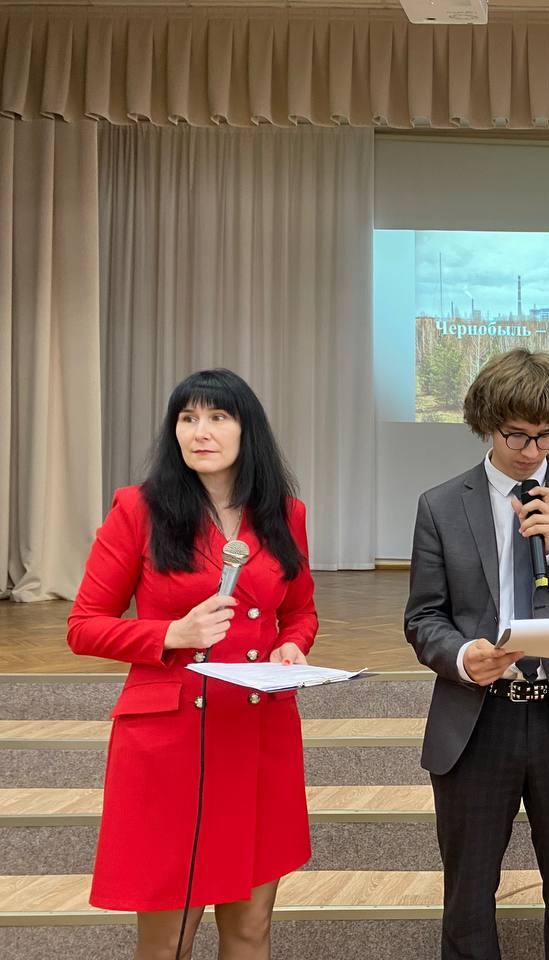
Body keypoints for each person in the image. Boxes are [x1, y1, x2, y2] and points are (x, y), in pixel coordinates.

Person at [67, 368, 317, 960]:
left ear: (247, 430)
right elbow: (83, 626)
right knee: (170, 940)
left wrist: (292, 646)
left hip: (257, 731)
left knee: (251, 930)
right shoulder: (138, 509)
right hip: (171, 742)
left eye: (217, 417)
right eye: (187, 418)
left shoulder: (285, 512)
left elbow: (300, 611)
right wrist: (171, 633)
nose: (199, 432)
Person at [404, 349, 549, 960]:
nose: (531, 451)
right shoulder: (441, 505)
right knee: (468, 901)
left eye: (546, 436)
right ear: (487, 423)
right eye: (517, 435)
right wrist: (461, 657)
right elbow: (423, 617)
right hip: (478, 720)